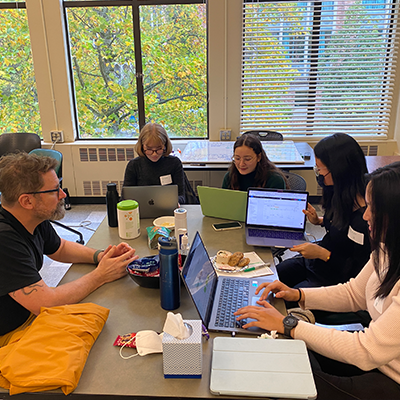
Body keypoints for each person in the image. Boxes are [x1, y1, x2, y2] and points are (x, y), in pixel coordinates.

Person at [234, 161, 400, 399]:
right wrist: (298, 295)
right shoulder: (386, 249)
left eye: (373, 207)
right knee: (284, 355)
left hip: (390, 378)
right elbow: (354, 293)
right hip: (374, 359)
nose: (365, 215)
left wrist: (287, 324)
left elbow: (366, 349)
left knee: (280, 378)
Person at [0, 152, 139, 346]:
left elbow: (60, 247)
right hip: (10, 334)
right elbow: (44, 303)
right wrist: (101, 275)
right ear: (27, 201)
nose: (63, 194)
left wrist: (100, 256)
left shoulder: (31, 217)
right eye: (54, 190)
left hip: (25, 316)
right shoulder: (4, 239)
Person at [277, 133, 371, 300]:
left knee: (285, 299)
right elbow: (341, 228)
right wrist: (319, 221)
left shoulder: (366, 219)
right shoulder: (341, 193)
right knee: (273, 277)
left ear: (339, 170)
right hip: (317, 263)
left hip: (336, 279)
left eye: (320, 169)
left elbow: (358, 273)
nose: (318, 174)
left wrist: (322, 253)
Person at [123, 123, 185, 204]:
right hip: (140, 212)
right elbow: (125, 198)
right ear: (142, 146)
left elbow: (182, 196)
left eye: (159, 149)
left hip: (168, 212)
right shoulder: (134, 165)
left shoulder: (174, 163)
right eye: (149, 149)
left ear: (165, 145)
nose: (154, 154)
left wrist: (175, 202)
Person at [222, 134, 286, 191]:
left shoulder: (274, 180)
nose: (241, 164)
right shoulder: (230, 177)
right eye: (237, 158)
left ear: (258, 157)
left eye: (247, 159)